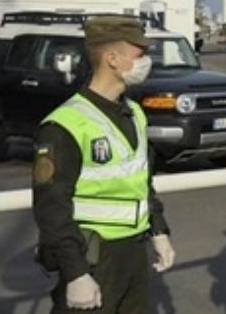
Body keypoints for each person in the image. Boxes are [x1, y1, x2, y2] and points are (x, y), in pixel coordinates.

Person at [32, 15, 175, 313]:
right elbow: (52, 208)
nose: (146, 61)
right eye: (139, 54)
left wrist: (159, 231)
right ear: (112, 58)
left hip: (134, 252)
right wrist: (76, 273)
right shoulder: (66, 124)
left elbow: (141, 182)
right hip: (93, 257)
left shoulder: (133, 112)